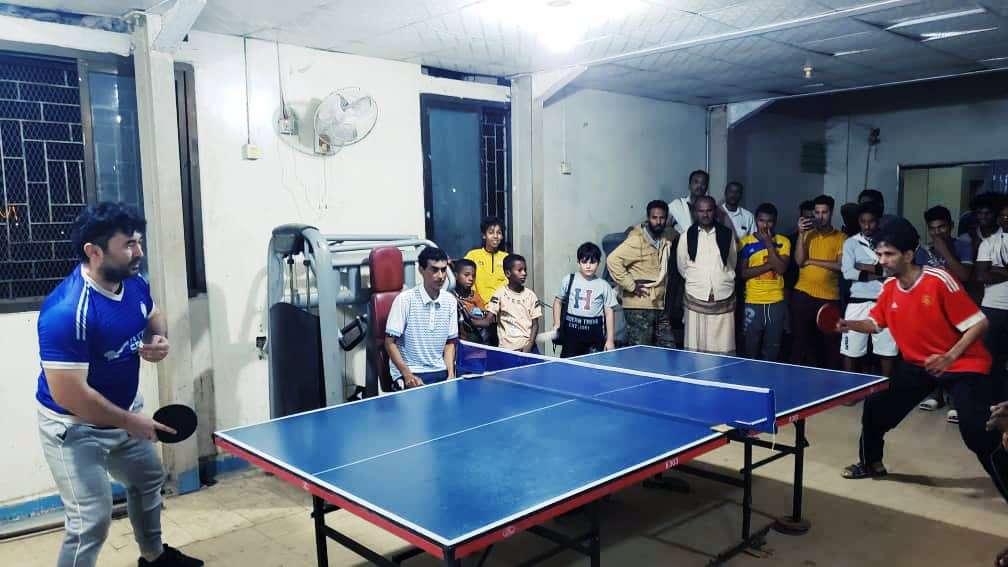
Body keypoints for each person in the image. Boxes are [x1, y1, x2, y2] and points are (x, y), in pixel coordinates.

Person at [35, 202, 203, 567]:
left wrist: (158, 340)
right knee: (91, 521)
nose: (138, 252)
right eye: (128, 244)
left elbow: (153, 315)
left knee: (148, 479)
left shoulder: (133, 284)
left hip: (124, 414)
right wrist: (130, 422)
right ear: (94, 252)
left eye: (138, 242)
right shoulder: (67, 311)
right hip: (74, 428)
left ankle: (154, 558)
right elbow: (69, 394)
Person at [837, 218, 1008, 503]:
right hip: (920, 365)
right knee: (876, 407)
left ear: (908, 255)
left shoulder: (938, 280)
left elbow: (979, 324)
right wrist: (849, 324)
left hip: (964, 365)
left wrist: (950, 356)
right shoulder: (889, 287)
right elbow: (876, 323)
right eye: (879, 254)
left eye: (889, 254)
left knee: (977, 433)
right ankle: (870, 463)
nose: (882, 260)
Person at [914, 205, 974, 418]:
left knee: (958, 356)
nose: (937, 232)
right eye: (932, 229)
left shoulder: (963, 245)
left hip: (958, 309)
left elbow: (964, 275)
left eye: (942, 227)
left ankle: (955, 401)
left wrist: (944, 251)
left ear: (951, 226)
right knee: (934, 353)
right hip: (932, 309)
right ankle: (936, 394)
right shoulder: (922, 251)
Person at [385, 246, 458, 389]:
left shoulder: (450, 301)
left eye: (443, 270)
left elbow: (450, 343)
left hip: (439, 370)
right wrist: (407, 375)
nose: (441, 276)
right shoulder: (405, 300)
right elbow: (389, 343)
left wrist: (450, 374)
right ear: (421, 270)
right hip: (410, 372)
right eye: (434, 270)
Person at [840, 202, 897, 377]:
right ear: (858, 222)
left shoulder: (889, 243)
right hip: (857, 303)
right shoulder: (851, 243)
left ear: (878, 221)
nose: (867, 226)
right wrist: (879, 271)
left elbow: (892, 270)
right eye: (863, 222)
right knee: (851, 350)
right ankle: (848, 388)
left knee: (887, 351)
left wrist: (863, 266)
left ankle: (887, 388)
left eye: (871, 221)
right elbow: (848, 272)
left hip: (884, 301)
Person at [606, 200, 674, 346]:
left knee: (668, 350)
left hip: (658, 304)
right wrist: (631, 285)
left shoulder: (665, 238)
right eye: (654, 218)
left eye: (662, 218)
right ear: (648, 218)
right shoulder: (636, 240)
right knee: (640, 352)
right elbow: (612, 260)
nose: (658, 222)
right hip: (638, 307)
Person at [677, 195, 738, 354]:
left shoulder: (727, 234)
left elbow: (732, 262)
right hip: (695, 295)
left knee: (723, 345)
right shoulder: (686, 236)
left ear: (715, 211)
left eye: (709, 210)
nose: (705, 214)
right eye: (701, 211)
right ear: (695, 212)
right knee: (695, 345)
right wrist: (699, 281)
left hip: (723, 295)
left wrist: (720, 279)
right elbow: (682, 266)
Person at [792, 195, 847, 369]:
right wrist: (801, 234)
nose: (820, 216)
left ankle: (829, 381)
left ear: (831, 213)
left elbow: (841, 266)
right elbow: (799, 261)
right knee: (801, 343)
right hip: (803, 294)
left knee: (829, 346)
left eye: (824, 212)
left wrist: (812, 261)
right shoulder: (807, 234)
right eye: (817, 212)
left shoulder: (841, 238)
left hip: (829, 297)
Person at [738, 203, 790, 361]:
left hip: (776, 302)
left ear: (775, 222)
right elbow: (743, 273)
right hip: (753, 301)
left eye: (769, 221)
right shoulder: (745, 242)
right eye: (761, 220)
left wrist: (768, 243)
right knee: (750, 348)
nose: (765, 225)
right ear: (756, 220)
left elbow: (781, 269)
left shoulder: (783, 241)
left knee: (772, 350)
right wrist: (771, 265)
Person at [552, 242, 617, 357]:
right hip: (571, 336)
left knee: (593, 366)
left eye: (592, 262)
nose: (588, 266)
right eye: (584, 262)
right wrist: (557, 324)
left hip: (594, 338)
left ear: (598, 263)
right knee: (567, 366)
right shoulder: (568, 280)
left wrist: (610, 339)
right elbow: (558, 302)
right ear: (578, 262)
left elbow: (609, 313)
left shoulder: (604, 285)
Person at [975, 198, 1008, 403]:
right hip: (993, 308)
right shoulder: (989, 243)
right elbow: (982, 275)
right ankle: (991, 403)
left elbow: (989, 272)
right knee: (991, 359)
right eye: (1003, 216)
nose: (1006, 219)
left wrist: (997, 270)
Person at [487, 254, 542, 352]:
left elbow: (535, 325)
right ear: (508, 273)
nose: (524, 273)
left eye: (525, 270)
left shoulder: (531, 295)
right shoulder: (500, 294)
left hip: (529, 348)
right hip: (508, 350)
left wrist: (529, 345)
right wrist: (470, 319)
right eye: (519, 270)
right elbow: (488, 320)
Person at [464, 217, 508, 305]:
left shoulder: (507, 258)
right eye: (491, 232)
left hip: (502, 306)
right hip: (476, 305)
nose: (495, 236)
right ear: (484, 235)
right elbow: (463, 278)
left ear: (502, 236)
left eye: (499, 233)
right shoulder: (473, 255)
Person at [451, 259, 493, 344]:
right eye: (466, 275)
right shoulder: (450, 296)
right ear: (456, 276)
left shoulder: (476, 297)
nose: (471, 279)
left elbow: (483, 318)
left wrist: (470, 319)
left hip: (474, 341)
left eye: (473, 276)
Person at [669, 170, 709, 235]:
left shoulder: (711, 208)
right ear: (689, 186)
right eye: (696, 182)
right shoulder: (677, 204)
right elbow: (665, 226)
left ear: (707, 187)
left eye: (703, 183)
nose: (699, 186)